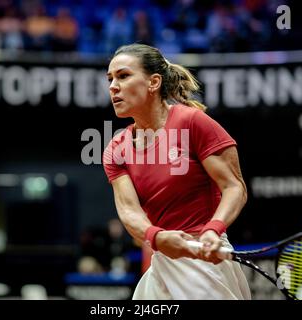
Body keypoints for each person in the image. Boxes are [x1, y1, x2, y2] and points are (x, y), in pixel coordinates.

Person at [103, 43, 251, 299]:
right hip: (161, 260)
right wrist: (156, 237)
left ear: (154, 82)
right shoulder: (116, 149)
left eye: (123, 76)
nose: (113, 86)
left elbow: (234, 186)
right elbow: (129, 210)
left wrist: (213, 229)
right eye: (110, 79)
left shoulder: (193, 122)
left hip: (205, 259)